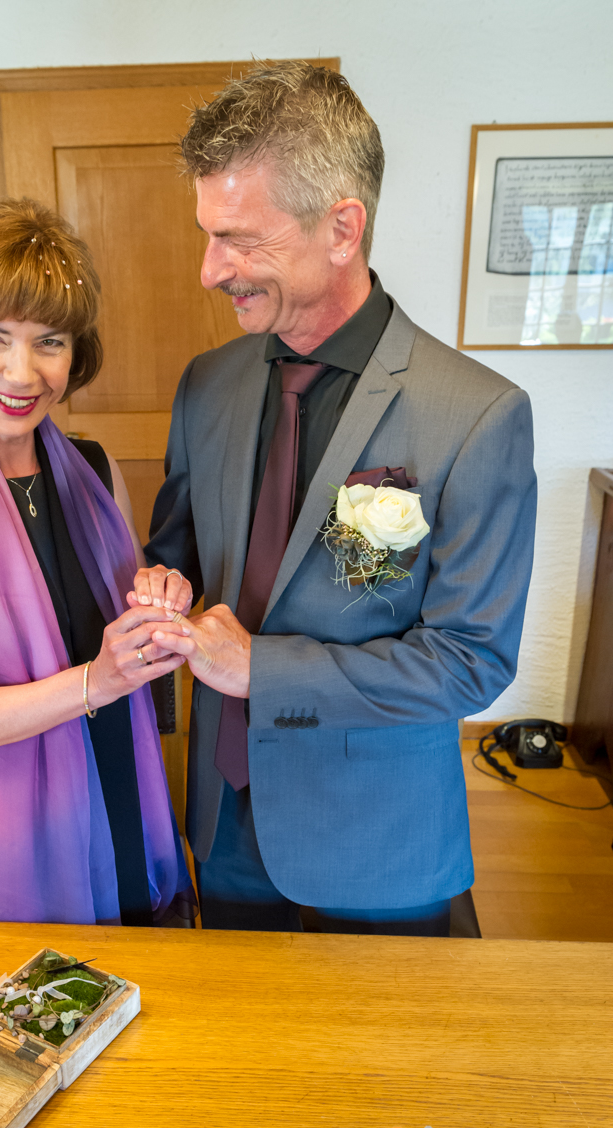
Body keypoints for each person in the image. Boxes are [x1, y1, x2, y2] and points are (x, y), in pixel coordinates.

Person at [135, 62, 537, 936]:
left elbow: (470, 659)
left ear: (342, 227)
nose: (210, 271)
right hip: (223, 822)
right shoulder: (206, 385)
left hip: (379, 846)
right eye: (208, 235)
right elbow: (177, 551)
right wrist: (158, 585)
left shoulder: (476, 415)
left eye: (239, 239)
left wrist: (261, 670)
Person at [0, 198, 194, 926]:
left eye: (49, 341)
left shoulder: (94, 466)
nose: (23, 373)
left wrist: (156, 598)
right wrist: (99, 678)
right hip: (9, 815)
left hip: (120, 771)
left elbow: (119, 612)